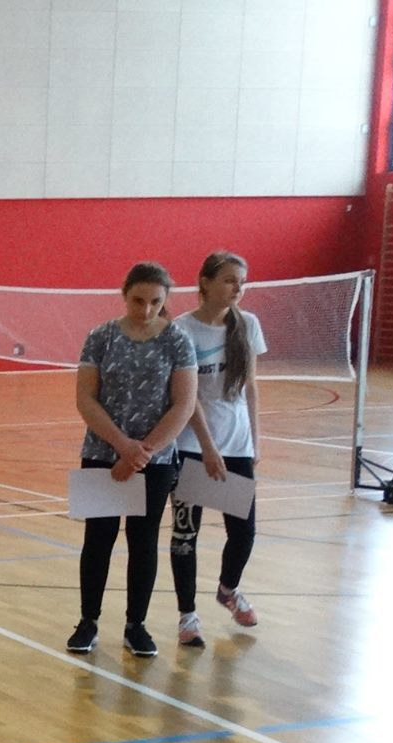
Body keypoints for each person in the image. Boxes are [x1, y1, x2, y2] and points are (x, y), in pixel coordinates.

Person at [67, 262, 198, 658]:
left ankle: (135, 625)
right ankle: (88, 621)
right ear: (125, 295)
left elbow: (183, 405)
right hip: (101, 454)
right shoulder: (100, 337)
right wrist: (122, 446)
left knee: (143, 543)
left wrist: (143, 453)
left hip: (155, 461)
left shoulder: (178, 341)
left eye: (155, 302)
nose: (146, 309)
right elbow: (85, 399)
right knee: (98, 539)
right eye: (138, 300)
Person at [170, 251, 265, 647]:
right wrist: (207, 447)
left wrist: (255, 438)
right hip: (192, 445)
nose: (237, 287)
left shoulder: (248, 325)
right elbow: (186, 396)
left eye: (241, 281)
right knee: (185, 536)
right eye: (229, 280)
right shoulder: (182, 330)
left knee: (243, 532)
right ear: (205, 283)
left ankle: (228, 589)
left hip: (237, 444)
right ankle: (187, 617)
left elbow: (251, 386)